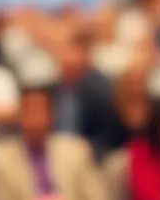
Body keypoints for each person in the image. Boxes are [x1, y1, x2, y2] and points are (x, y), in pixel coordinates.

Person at [0, 86, 107, 200]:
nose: (35, 117)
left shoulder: (76, 151)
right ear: (19, 114)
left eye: (40, 110)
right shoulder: (2, 160)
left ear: (51, 114)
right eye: (29, 110)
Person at [50, 29, 127, 159]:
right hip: (55, 150)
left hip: (87, 152)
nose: (68, 59)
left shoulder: (101, 90)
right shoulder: (52, 90)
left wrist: (89, 146)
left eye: (73, 54)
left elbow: (110, 135)